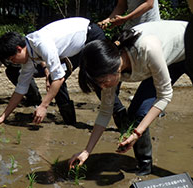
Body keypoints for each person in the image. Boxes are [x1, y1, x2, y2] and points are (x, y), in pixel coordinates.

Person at [69, 20, 192, 176]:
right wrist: (87, 151)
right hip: (165, 59)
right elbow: (106, 111)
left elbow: (165, 95)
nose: (102, 87)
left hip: (188, 45)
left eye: (101, 82)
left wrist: (137, 133)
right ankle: (145, 167)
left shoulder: (147, 48)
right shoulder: (111, 69)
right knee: (137, 114)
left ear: (112, 70)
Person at [0, 17, 109, 126]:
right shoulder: (29, 56)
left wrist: (43, 106)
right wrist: (3, 117)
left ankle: (120, 116)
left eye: (12, 59)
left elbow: (59, 78)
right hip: (74, 48)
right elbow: (21, 88)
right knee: (54, 80)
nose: (14, 63)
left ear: (18, 49)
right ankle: (70, 123)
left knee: (98, 79)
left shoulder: (41, 44)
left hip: (90, 35)